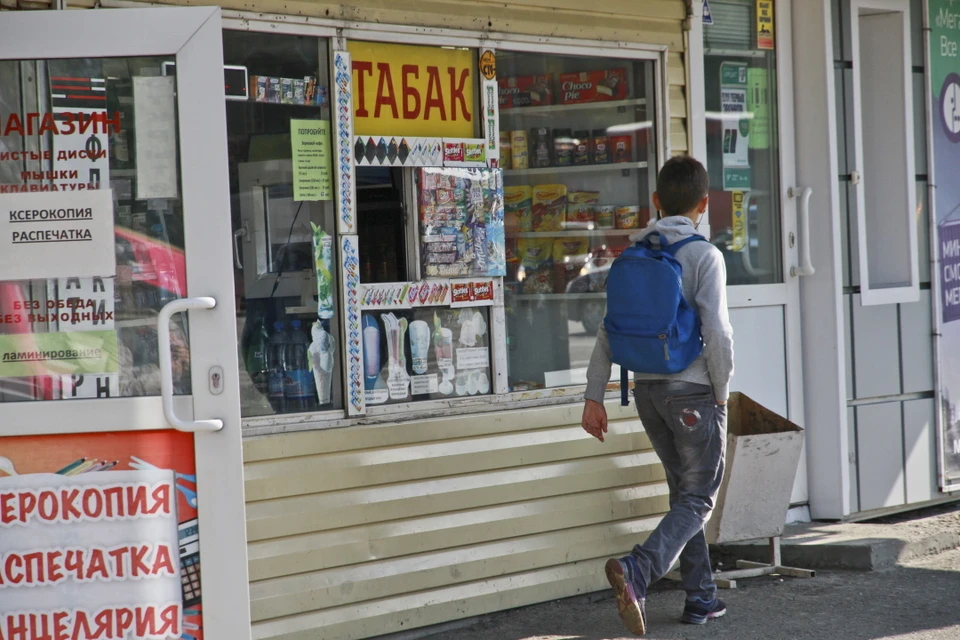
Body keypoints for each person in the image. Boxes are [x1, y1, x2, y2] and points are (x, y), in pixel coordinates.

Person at [581, 155, 734, 635]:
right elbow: (719, 335)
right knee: (701, 497)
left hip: (645, 392)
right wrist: (722, 393)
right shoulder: (704, 255)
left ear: (655, 202)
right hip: (691, 392)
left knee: (683, 497)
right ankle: (639, 570)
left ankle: (702, 598)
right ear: (704, 205)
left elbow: (609, 332)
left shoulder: (632, 255)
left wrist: (593, 396)